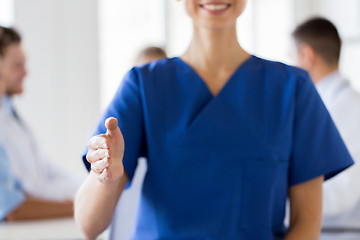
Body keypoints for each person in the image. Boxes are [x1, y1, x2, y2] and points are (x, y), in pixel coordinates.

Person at [75, 1, 354, 239]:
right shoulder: (143, 86)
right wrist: (105, 178)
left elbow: (306, 222)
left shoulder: (293, 89)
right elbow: (89, 226)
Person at [0, 26, 80, 221]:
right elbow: (11, 208)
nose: (26, 72)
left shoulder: (10, 113)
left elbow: (43, 176)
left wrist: (92, 189)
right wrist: (85, 207)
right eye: (17, 65)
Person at [292, 17, 360, 238]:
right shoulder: (332, 104)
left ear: (306, 55)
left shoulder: (348, 108)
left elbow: (344, 192)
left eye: (292, 56)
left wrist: (282, 200)